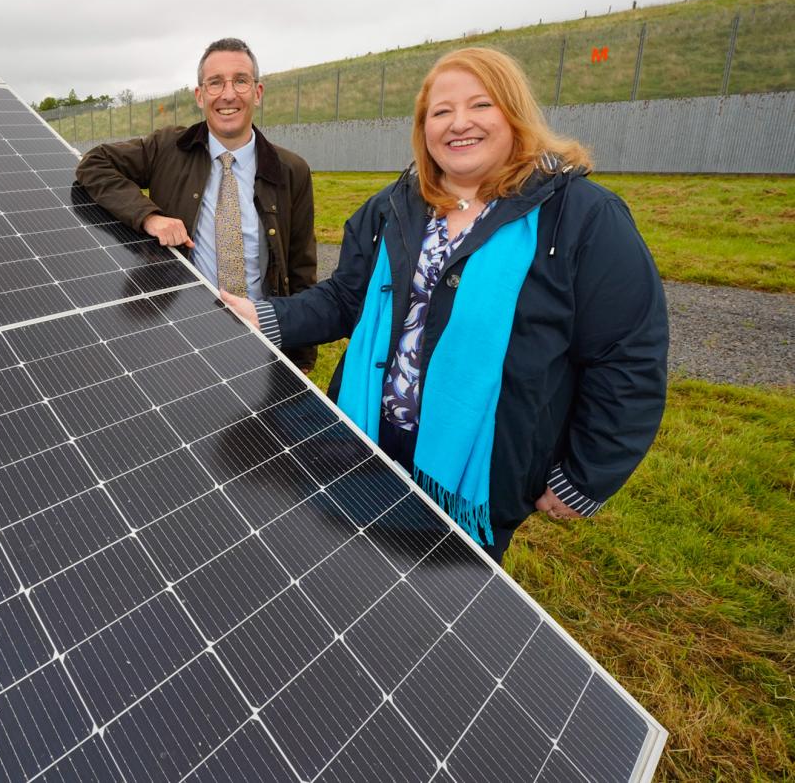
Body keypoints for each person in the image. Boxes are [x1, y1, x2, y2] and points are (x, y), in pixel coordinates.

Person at [221, 47, 668, 563]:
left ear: (514, 113)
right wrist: (268, 316)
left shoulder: (581, 217)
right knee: (350, 571)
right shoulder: (395, 204)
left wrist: (587, 475)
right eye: (441, 112)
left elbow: (627, 356)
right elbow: (347, 297)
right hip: (366, 438)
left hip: (476, 467)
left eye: (481, 106)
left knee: (443, 609)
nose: (459, 124)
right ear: (423, 126)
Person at [76, 38, 318, 371]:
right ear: (200, 95)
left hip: (259, 341)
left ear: (258, 93)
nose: (228, 94)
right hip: (182, 337)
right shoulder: (169, 148)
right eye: (215, 83)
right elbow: (94, 163)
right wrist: (149, 216)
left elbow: (301, 270)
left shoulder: (292, 171)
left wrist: (301, 359)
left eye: (240, 81)